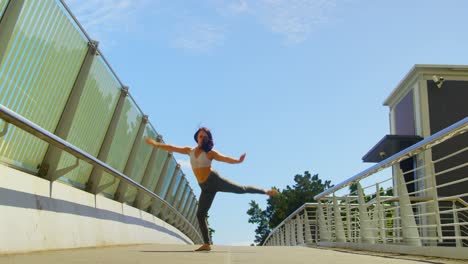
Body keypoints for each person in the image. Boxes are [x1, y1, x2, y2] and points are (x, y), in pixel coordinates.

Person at [145, 127, 278, 252]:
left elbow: (224, 158)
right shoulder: (189, 150)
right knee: (200, 214)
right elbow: (171, 147)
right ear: (196, 137)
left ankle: (265, 191)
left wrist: (237, 161)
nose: (202, 138)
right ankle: (207, 244)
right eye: (200, 136)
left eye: (205, 136)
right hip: (205, 187)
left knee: (240, 189)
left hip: (214, 181)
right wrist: (156, 145)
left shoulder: (210, 153)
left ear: (208, 139)